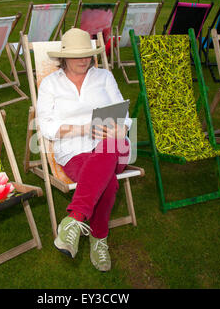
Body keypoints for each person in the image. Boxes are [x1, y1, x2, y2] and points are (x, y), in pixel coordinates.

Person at [36, 28, 132, 272]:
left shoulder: (104, 77)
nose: (84, 60)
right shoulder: (50, 84)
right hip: (74, 151)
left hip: (113, 144)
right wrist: (84, 128)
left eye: (87, 54)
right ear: (63, 58)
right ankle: (99, 239)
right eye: (77, 55)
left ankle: (75, 220)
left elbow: (125, 115)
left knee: (109, 145)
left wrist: (121, 129)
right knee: (107, 181)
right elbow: (47, 127)